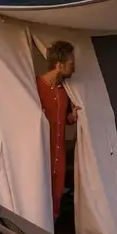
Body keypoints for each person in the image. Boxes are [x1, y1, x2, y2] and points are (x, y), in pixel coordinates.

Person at [36, 40, 80, 221]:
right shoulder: (36, 86)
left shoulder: (64, 90)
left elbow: (64, 118)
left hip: (59, 150)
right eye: (71, 64)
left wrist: (72, 117)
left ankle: (53, 224)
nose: (74, 67)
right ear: (59, 65)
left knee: (57, 189)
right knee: (41, 187)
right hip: (43, 149)